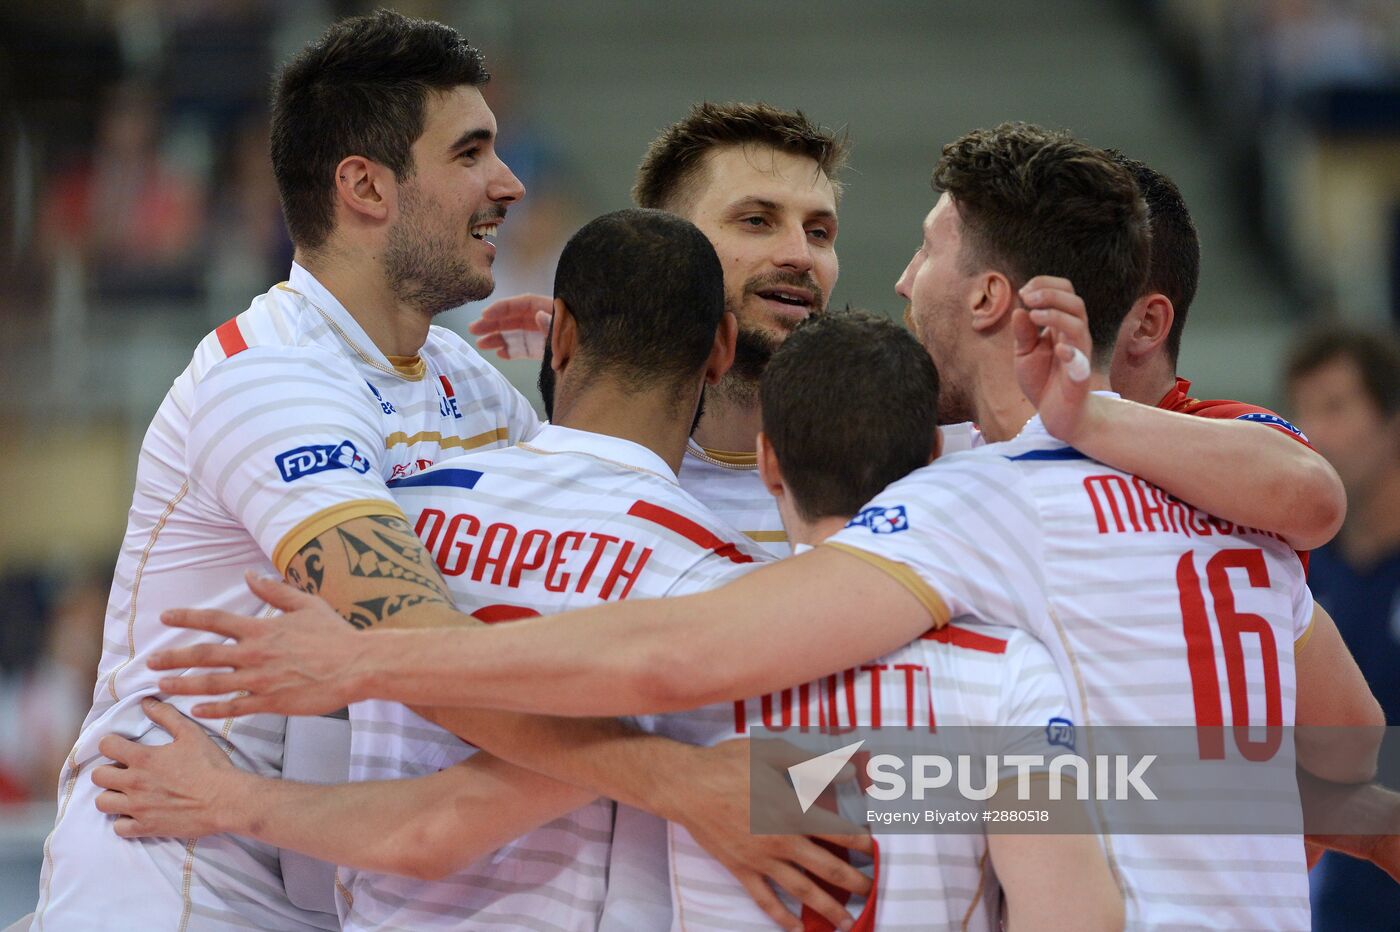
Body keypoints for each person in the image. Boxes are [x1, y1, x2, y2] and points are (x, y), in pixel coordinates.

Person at [152, 124, 1379, 930]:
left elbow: (657, 667)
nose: (883, 276)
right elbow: (1348, 760)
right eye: (754, 223)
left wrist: (362, 656)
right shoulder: (1215, 506)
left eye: (890, 244)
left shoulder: (948, 508)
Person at [42, 12, 841, 930]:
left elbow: (578, 504)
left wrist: (621, 333)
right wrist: (685, 777)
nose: (509, 184)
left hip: (330, 865)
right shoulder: (271, 377)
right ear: (365, 187)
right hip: (182, 859)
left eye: (819, 229)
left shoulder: (466, 379)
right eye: (470, 154)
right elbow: (425, 657)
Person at [476, 102, 847, 556]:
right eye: (757, 221)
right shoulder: (543, 477)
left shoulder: (888, 479)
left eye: (819, 232)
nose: (801, 255)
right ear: (668, 246)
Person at [1285, 327, 1400, 932]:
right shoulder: (1292, 575)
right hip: (1331, 898)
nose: (1314, 433)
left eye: (1336, 406)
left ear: (1392, 420)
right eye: (1303, 410)